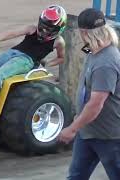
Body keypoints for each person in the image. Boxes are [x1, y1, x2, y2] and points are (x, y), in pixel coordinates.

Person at [0, 5, 67, 112]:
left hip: (27, 61)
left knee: (0, 74)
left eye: (48, 29)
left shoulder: (58, 42)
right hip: (12, 52)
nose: (44, 31)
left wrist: (48, 63)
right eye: (42, 26)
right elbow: (11, 33)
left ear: (59, 29)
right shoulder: (32, 29)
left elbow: (61, 58)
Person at [58, 8, 120, 180]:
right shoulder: (93, 48)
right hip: (87, 131)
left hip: (108, 136)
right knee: (76, 176)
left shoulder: (105, 64)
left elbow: (95, 104)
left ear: (84, 32)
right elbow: (85, 50)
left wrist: (72, 129)